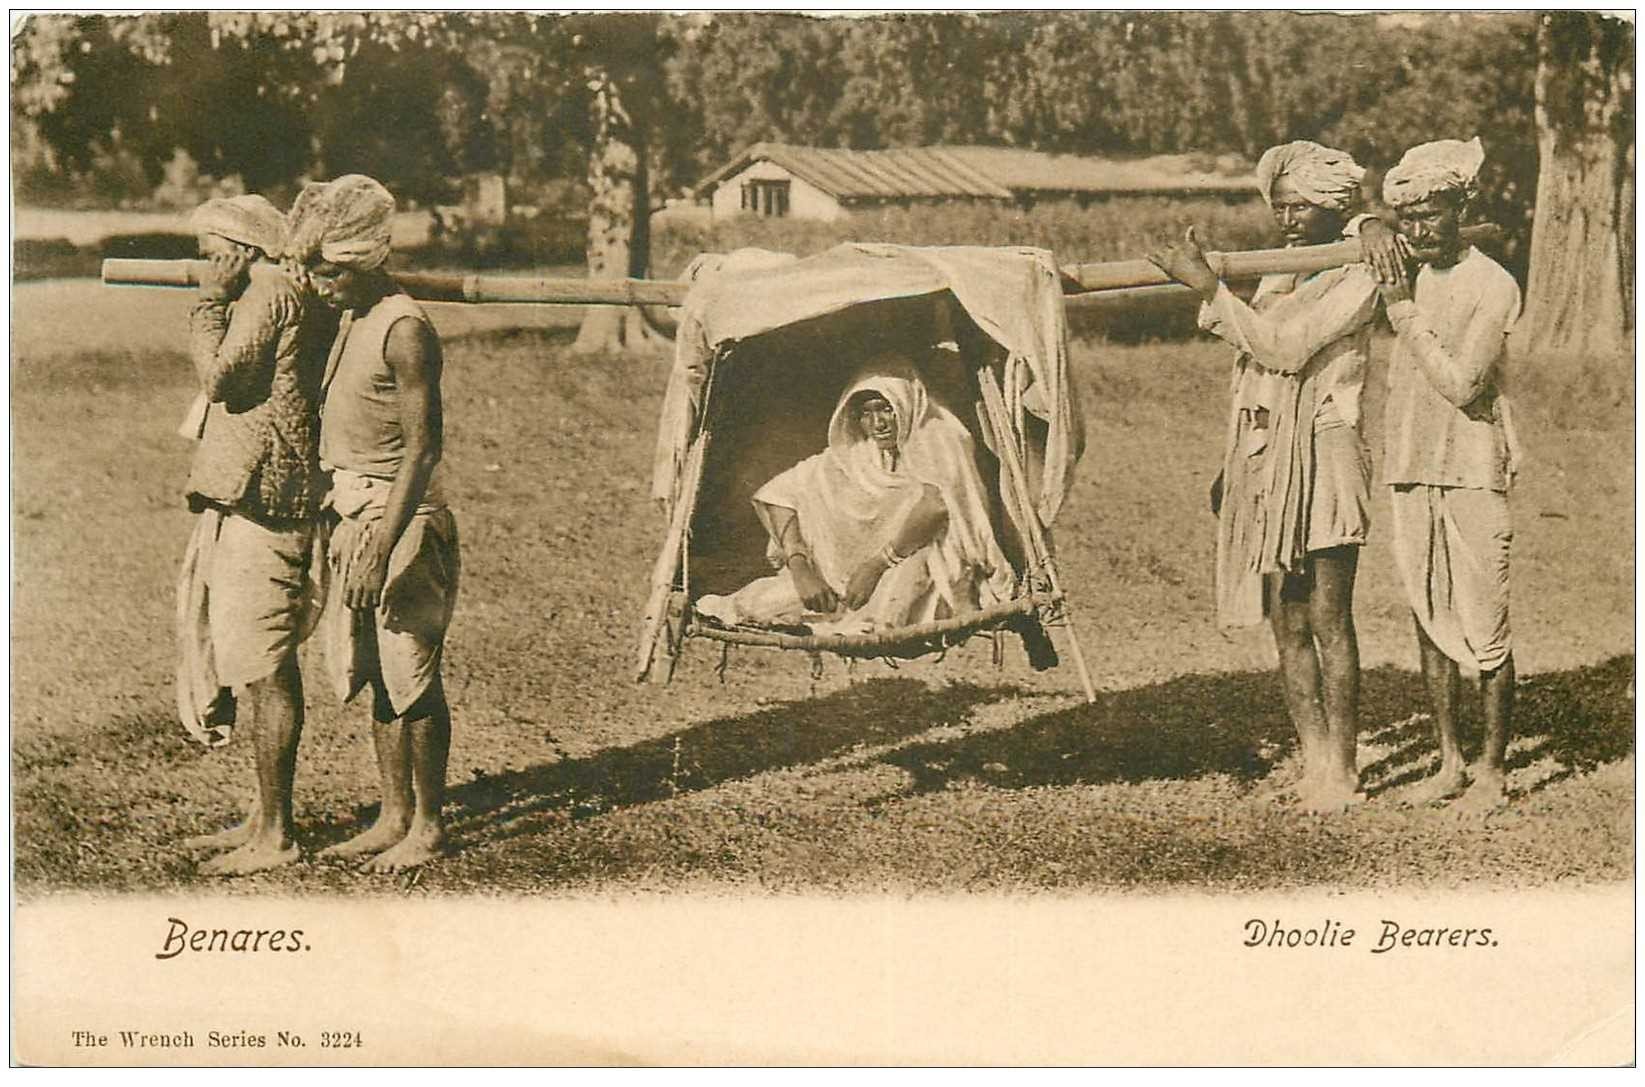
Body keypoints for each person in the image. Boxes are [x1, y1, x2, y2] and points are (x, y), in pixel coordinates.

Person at [1146, 141, 1408, 813]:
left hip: (1324, 451)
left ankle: (1343, 768)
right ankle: (1313, 759)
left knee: (1327, 615)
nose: (1290, 219)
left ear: (1332, 209)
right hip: (1266, 456)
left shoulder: (1357, 269)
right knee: (1284, 622)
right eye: (1281, 206)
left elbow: (1285, 349)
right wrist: (1232, 462)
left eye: (1303, 207)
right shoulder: (1276, 274)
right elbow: (1253, 372)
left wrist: (1209, 290)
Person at [287, 175, 461, 871]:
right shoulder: (353, 316)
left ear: (358, 264)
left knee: (412, 672)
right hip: (354, 514)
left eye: (328, 274)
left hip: (403, 520)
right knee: (379, 674)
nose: (320, 286)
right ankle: (392, 814)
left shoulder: (405, 329)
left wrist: (381, 545)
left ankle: (428, 822)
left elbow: (424, 449)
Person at [176, 194, 335, 875]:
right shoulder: (270, 288)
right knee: (250, 661)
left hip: (265, 498)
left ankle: (277, 834)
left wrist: (209, 305)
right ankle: (262, 816)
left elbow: (220, 377)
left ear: (240, 251)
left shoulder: (267, 291)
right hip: (251, 492)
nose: (209, 264)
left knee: (266, 667)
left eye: (214, 252)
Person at [1378, 138, 1522, 811]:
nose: (1417, 231)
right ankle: (1449, 760)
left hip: (1469, 466)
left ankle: (1491, 771)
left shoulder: (1491, 284)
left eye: (1430, 217)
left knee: (1483, 620)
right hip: (1410, 462)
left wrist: (1402, 314)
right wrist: (1376, 233)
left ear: (1458, 208)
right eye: (1406, 220)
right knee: (1427, 611)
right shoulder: (1401, 267)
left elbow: (1464, 383)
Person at [694, 358, 1012, 636]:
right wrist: (799, 563)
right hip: (848, 579)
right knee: (762, 603)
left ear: (905, 402)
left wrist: (877, 565)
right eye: (866, 413)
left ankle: (853, 622)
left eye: (886, 408)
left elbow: (935, 505)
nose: (878, 423)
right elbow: (781, 492)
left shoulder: (937, 437)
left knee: (893, 594)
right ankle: (817, 619)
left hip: (926, 574)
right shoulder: (858, 454)